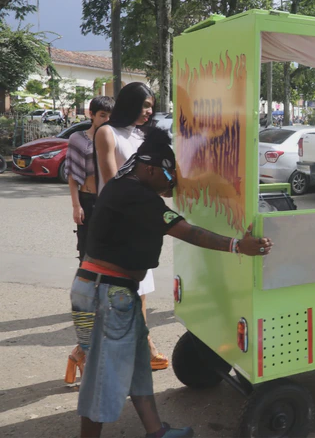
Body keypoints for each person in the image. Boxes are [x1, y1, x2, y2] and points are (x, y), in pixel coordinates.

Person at [72, 128, 272, 438]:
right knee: (103, 377)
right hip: (107, 294)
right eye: (168, 174)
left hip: (112, 291)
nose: (171, 183)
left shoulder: (125, 186)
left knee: (138, 367)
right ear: (150, 168)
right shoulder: (136, 196)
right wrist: (237, 246)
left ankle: (157, 432)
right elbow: (187, 231)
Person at [93, 82, 167, 370]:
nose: (149, 111)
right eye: (144, 105)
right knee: (118, 294)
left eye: (151, 106)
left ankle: (141, 348)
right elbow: (113, 183)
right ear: (129, 104)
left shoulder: (142, 135)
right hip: (118, 222)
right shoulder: (106, 133)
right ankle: (91, 351)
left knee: (140, 290)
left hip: (141, 220)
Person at [64, 95, 114, 385]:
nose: (106, 120)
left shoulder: (113, 137)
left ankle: (95, 303)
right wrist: (75, 205)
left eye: (109, 116)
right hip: (87, 199)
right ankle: (86, 299)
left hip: (107, 203)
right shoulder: (79, 140)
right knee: (87, 257)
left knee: (105, 258)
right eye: (102, 116)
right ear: (92, 115)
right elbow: (72, 174)